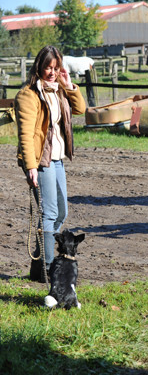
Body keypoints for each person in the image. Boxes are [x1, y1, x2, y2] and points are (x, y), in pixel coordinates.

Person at [14, 45, 86, 282]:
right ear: (39, 66)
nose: (52, 72)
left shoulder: (59, 91)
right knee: (49, 213)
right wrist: (30, 166)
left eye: (56, 67)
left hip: (57, 160)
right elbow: (25, 134)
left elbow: (80, 109)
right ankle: (45, 269)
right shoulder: (29, 95)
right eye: (48, 67)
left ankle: (37, 267)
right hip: (40, 161)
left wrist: (69, 85)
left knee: (61, 211)